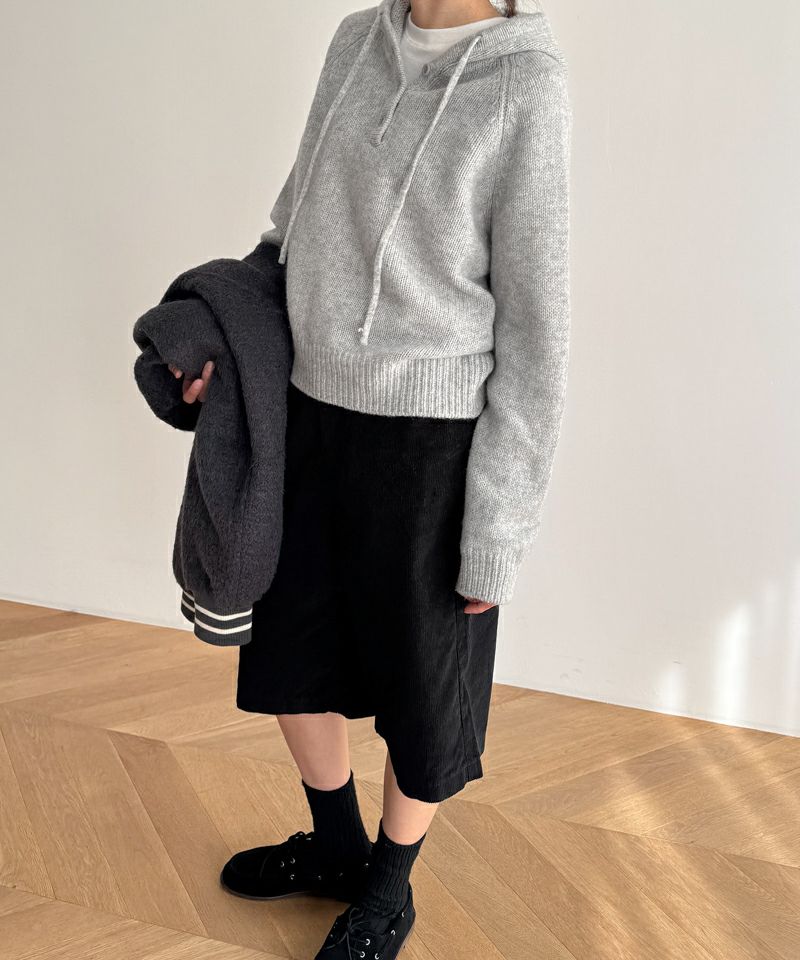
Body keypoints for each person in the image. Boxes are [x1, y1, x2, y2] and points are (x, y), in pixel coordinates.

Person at [173, 0, 571, 956]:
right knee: (290, 650)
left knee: (423, 686)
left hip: (433, 445)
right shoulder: (356, 39)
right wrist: (223, 344)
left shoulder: (525, 81)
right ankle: (335, 845)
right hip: (308, 413)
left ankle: (389, 887)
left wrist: (499, 529)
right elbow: (290, 229)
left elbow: (538, 331)